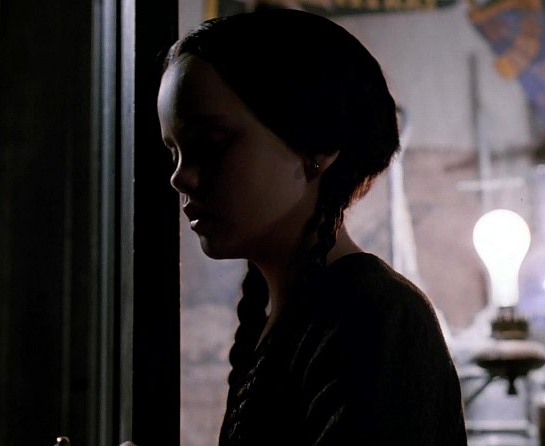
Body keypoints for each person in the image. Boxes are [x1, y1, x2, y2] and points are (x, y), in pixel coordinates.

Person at [156, 8, 467, 446]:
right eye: (174, 153)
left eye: (211, 143)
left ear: (317, 146)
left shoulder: (374, 317)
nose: (180, 177)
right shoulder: (285, 317)